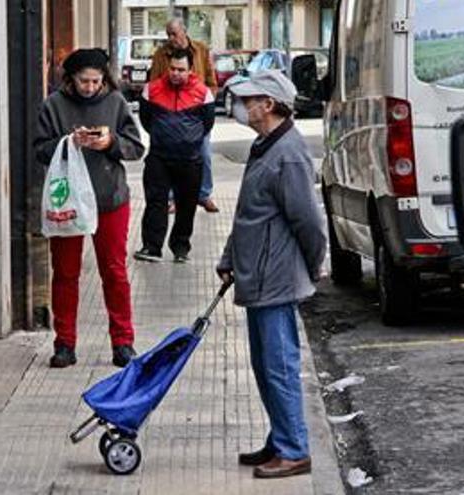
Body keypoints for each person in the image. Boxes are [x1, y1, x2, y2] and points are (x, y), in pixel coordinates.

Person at [216, 70, 327, 479]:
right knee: (265, 366)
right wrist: (230, 255)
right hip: (256, 275)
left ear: (269, 104)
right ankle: (280, 438)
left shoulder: (289, 154)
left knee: (278, 365)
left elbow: (309, 223)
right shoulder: (265, 146)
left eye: (249, 100)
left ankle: (294, 449)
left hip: (276, 278)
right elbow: (249, 213)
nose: (243, 107)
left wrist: (313, 267)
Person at [34, 49, 146, 369]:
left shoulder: (115, 103)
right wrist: (69, 143)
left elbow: (136, 147)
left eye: (96, 81)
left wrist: (109, 143)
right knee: (65, 272)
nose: (90, 87)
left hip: (109, 198)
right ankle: (65, 343)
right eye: (84, 81)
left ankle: (123, 342)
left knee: (114, 271)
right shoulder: (53, 105)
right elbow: (39, 150)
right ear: (70, 79)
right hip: (67, 201)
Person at [135, 48, 214, 264]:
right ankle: (152, 248)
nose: (176, 73)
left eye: (181, 69)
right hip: (159, 157)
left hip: (190, 159)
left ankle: (181, 248)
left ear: (190, 70)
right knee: (155, 203)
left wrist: (189, 140)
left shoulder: (203, 93)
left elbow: (207, 124)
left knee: (186, 205)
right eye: (172, 69)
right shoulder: (151, 90)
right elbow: (145, 120)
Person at [149, 18, 220, 214]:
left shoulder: (201, 50)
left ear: (184, 31)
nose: (172, 39)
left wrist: (207, 100)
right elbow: (153, 85)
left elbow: (211, 81)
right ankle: (172, 198)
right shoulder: (160, 55)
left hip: (197, 114)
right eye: (168, 35)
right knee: (170, 157)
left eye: (175, 34)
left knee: (204, 154)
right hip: (170, 114)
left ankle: (204, 194)